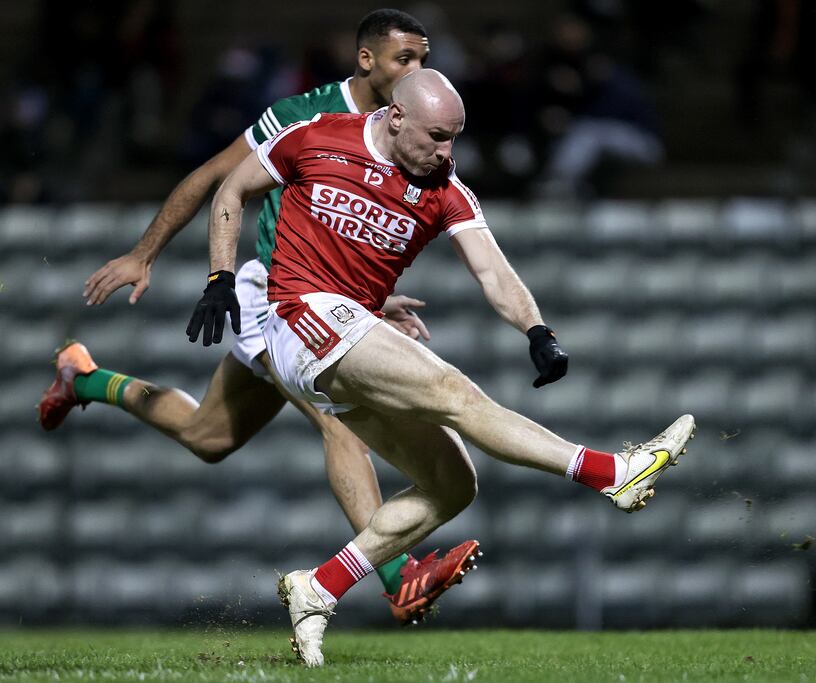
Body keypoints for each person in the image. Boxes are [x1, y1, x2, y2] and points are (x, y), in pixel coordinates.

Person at [190, 68, 696, 666]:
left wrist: (537, 330)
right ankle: (610, 472)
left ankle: (317, 588)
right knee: (454, 391)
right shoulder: (318, 135)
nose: (446, 151)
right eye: (436, 136)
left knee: (453, 485)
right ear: (396, 117)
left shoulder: (446, 187)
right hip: (302, 317)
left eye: (454, 137)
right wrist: (221, 276)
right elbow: (231, 190)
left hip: (345, 332)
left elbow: (492, 271)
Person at [39, 9, 478, 626]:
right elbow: (216, 178)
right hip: (271, 298)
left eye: (424, 58)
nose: (419, 70)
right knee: (340, 419)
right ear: (368, 59)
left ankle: (83, 378)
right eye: (406, 58)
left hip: (332, 311)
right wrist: (145, 253)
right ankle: (396, 576)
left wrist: (375, 303)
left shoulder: (407, 135)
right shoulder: (303, 115)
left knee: (207, 437)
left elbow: (356, 235)